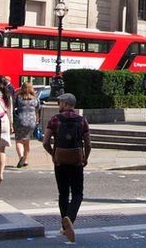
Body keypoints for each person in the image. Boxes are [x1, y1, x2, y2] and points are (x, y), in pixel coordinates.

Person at [43, 93, 91, 243]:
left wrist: (53, 155)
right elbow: (88, 144)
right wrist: (85, 158)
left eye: (60, 102)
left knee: (63, 193)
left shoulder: (55, 119)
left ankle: (65, 226)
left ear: (65, 103)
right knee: (77, 194)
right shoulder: (82, 120)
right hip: (76, 161)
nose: (59, 105)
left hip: (60, 161)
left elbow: (45, 142)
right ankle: (69, 218)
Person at [12, 81, 41, 168]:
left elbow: (14, 108)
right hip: (32, 121)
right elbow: (38, 109)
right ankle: (25, 160)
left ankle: (21, 156)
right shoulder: (35, 98)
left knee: (19, 140)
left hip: (20, 120)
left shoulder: (19, 97)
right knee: (27, 141)